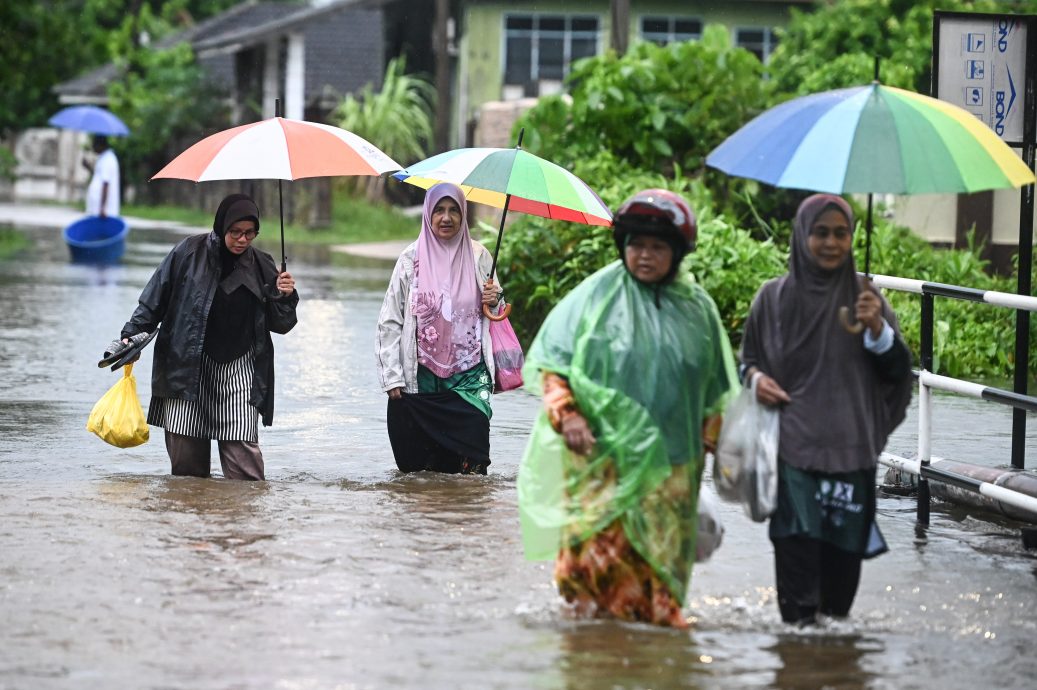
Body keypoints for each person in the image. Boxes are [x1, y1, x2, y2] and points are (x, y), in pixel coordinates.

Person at [517, 189, 738, 628]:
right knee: (594, 565)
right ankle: (597, 653)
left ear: (677, 253)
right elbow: (554, 367)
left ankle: (652, 651)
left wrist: (712, 445)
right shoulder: (594, 300)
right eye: (637, 245)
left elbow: (715, 392)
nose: (646, 256)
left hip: (672, 470)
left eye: (658, 247)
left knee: (660, 564)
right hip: (601, 461)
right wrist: (570, 416)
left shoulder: (698, 312)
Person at [739, 193, 912, 626]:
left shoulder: (869, 302)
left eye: (841, 233)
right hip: (792, 454)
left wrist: (877, 329)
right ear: (802, 235)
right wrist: (758, 381)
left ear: (853, 238)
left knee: (838, 600)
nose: (832, 243)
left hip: (852, 456)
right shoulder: (771, 299)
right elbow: (748, 362)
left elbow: (898, 375)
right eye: (821, 233)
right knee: (798, 601)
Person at [116, 193, 299, 480]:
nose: (242, 239)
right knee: (187, 477)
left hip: (240, 369)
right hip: (187, 366)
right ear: (221, 227)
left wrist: (285, 297)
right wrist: (131, 336)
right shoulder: (187, 253)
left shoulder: (262, 264)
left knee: (246, 471)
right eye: (235, 232)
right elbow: (153, 302)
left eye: (250, 233)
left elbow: (282, 325)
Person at [376, 182, 504, 475]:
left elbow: (495, 309)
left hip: (471, 377)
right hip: (422, 377)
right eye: (439, 210)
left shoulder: (479, 256)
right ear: (428, 214)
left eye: (454, 210)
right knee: (425, 472)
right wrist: (392, 377)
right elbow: (390, 320)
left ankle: (468, 518)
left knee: (472, 464)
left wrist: (495, 299)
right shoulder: (410, 259)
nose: (446, 218)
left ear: (463, 215)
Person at [83, 135, 120, 218]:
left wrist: (103, 208)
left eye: (94, 145)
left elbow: (106, 183)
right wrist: (88, 167)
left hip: (102, 210)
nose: (93, 148)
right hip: (96, 206)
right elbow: (99, 176)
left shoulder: (108, 160)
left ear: (100, 145)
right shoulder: (103, 158)